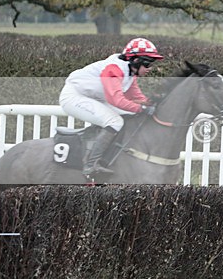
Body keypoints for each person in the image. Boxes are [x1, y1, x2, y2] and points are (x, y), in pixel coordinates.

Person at [59, 37, 164, 176]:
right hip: (74, 96)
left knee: (130, 115)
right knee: (114, 121)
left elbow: (136, 97)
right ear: (137, 60)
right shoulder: (114, 69)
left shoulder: (130, 71)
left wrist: (153, 102)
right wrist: (141, 108)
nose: (150, 68)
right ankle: (90, 165)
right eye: (149, 64)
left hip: (94, 98)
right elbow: (116, 99)